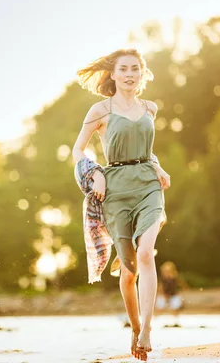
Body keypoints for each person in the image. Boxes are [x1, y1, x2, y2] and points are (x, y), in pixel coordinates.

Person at [72, 49, 170, 361]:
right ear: (113, 75)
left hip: (148, 186)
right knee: (128, 273)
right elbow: (78, 150)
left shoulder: (150, 108)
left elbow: (145, 150)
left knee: (145, 254)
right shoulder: (100, 110)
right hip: (114, 191)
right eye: (123, 69)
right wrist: (95, 173)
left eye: (134, 69)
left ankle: (147, 330)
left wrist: (158, 167)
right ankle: (134, 326)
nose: (129, 74)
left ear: (142, 73)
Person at [155, 261, 185, 327]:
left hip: (173, 296)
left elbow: (179, 289)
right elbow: (161, 289)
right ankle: (155, 320)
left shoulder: (175, 279)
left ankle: (175, 320)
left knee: (174, 307)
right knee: (160, 306)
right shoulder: (162, 280)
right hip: (164, 295)